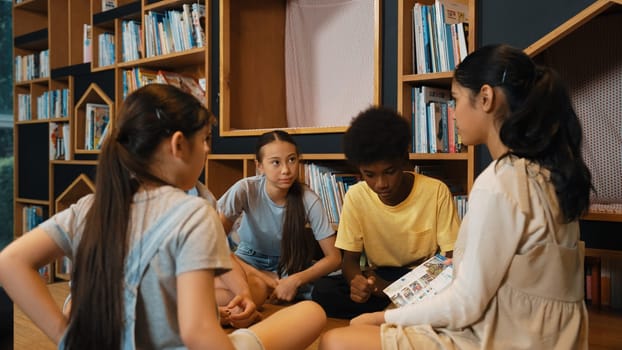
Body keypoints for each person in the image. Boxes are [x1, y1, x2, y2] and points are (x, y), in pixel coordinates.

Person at [0, 83, 326, 350]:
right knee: (311, 313)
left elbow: (9, 262)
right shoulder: (194, 212)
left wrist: (65, 338)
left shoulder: (91, 206)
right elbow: (198, 333)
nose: (208, 150)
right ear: (179, 145)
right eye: (205, 141)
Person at [318, 44, 592, 350]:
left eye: (456, 99)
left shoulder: (500, 182)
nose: (453, 112)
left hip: (507, 336)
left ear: (485, 98)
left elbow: (466, 304)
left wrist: (383, 319)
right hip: (548, 335)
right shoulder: (547, 173)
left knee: (336, 341)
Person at [311, 106, 461, 319]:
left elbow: (450, 260)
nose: (381, 184)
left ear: (404, 161)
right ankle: (402, 312)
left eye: (389, 172)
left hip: (423, 277)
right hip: (378, 276)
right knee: (324, 291)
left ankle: (393, 309)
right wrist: (358, 283)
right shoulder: (356, 196)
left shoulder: (436, 191)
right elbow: (350, 261)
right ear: (360, 171)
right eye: (370, 175)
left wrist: (392, 288)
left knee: (452, 290)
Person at [217, 130, 342, 304]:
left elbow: (334, 258)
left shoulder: (308, 199)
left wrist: (294, 280)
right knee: (230, 285)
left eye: (292, 160)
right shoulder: (245, 189)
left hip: (288, 266)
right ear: (259, 165)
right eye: (275, 162)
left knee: (330, 290)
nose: (286, 170)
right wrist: (267, 280)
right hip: (246, 261)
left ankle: (264, 293)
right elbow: (216, 245)